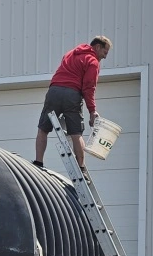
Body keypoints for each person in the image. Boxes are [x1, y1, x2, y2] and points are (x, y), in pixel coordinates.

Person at [34, 36, 112, 171]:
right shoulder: (92, 62)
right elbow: (89, 87)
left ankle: (38, 162)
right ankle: (81, 168)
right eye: (105, 53)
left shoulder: (71, 53)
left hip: (54, 91)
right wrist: (92, 110)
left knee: (43, 129)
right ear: (98, 47)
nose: (104, 57)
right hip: (72, 94)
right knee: (76, 134)